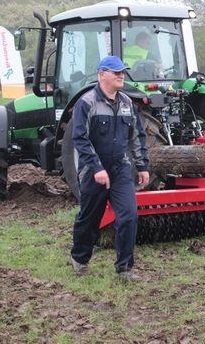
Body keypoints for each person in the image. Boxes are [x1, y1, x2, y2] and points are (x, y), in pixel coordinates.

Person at [70, 55, 150, 282]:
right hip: (93, 171)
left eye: (122, 71)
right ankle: (80, 257)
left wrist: (142, 165)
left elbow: (137, 136)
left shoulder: (127, 104)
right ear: (101, 74)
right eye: (116, 72)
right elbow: (80, 139)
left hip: (120, 168)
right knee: (90, 218)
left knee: (129, 216)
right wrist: (96, 168)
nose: (121, 75)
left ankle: (124, 268)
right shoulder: (86, 103)